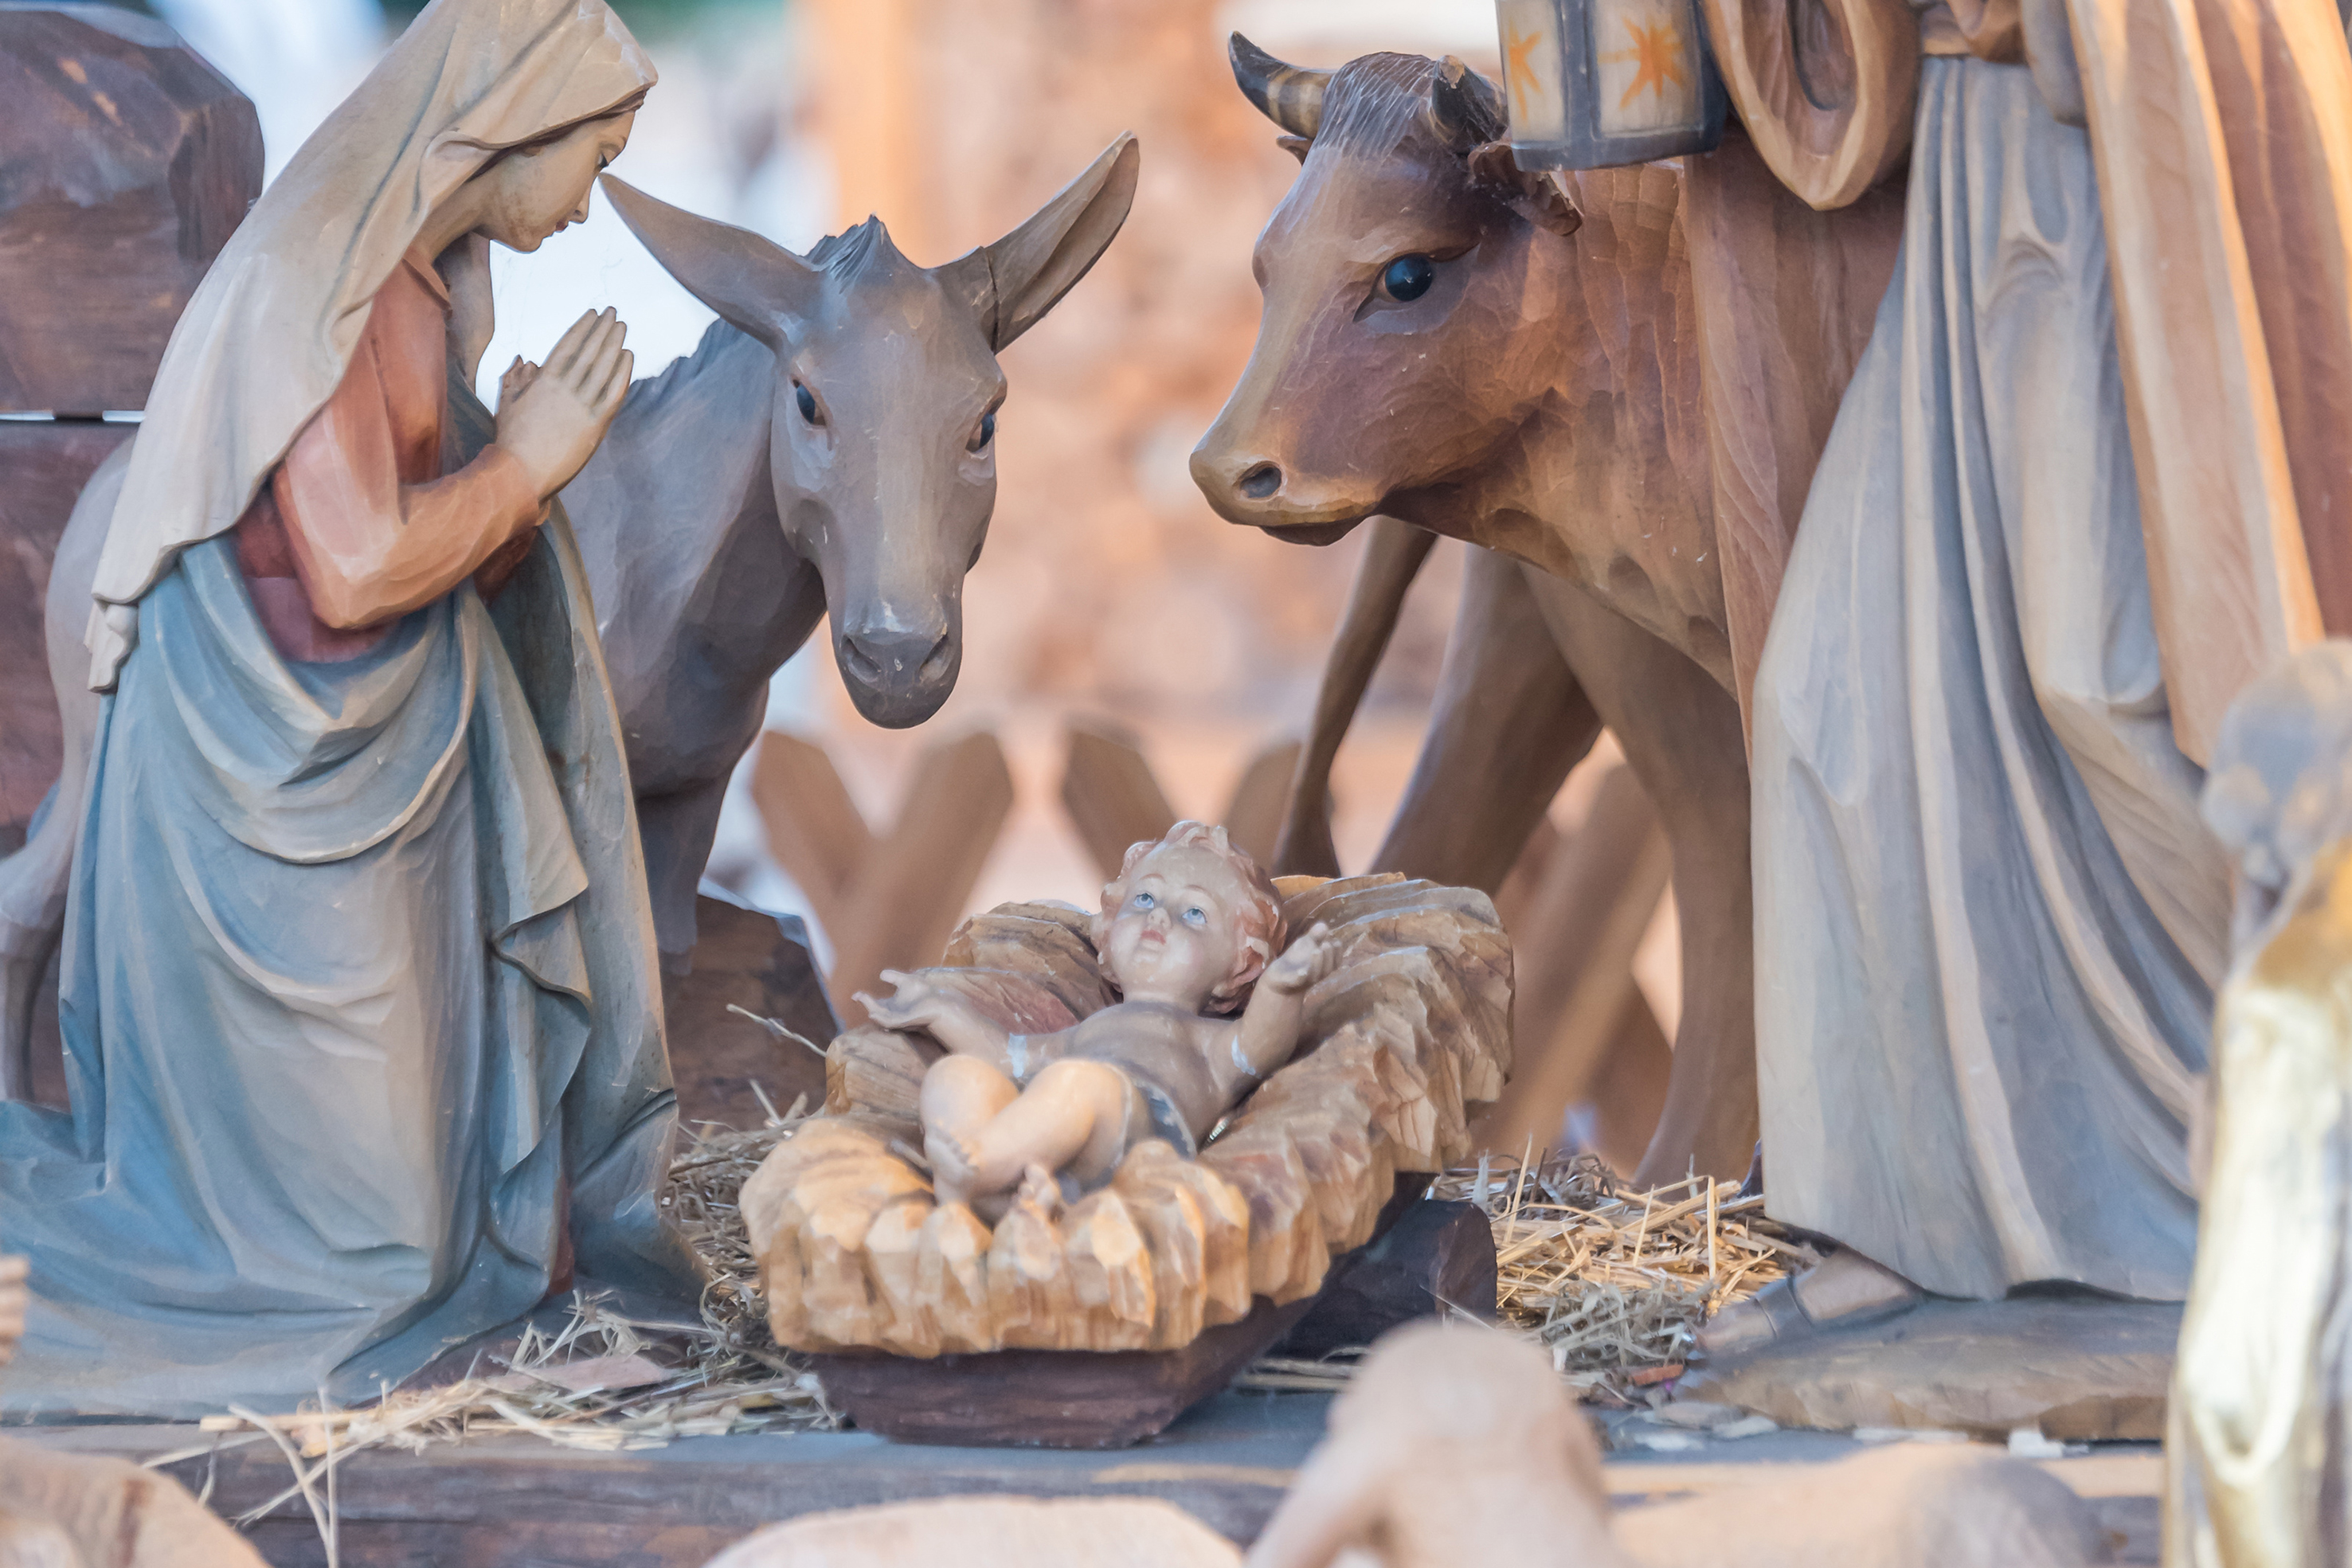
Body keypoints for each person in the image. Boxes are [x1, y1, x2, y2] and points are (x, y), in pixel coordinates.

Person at [0, 0, 700, 1417]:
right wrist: (531, 466)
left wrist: (508, 475)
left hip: (385, 763)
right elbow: (361, 559)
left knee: (440, 1233)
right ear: (503, 122)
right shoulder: (313, 284)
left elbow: (420, 549)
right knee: (364, 1267)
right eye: (594, 150)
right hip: (267, 804)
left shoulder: (418, 278)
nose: (591, 197)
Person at [859, 823, 1336, 1210]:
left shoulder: (1209, 1042)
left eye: (1194, 913)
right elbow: (1006, 1055)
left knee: (1079, 1084)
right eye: (1145, 898)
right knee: (959, 1073)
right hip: (1057, 1135)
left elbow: (1262, 1046)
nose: (1159, 917)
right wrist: (940, 1009)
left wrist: (1282, 986)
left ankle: (979, 1167)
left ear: (1238, 966)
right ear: (1108, 930)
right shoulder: (1090, 1031)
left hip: (1139, 1143)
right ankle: (984, 1186)